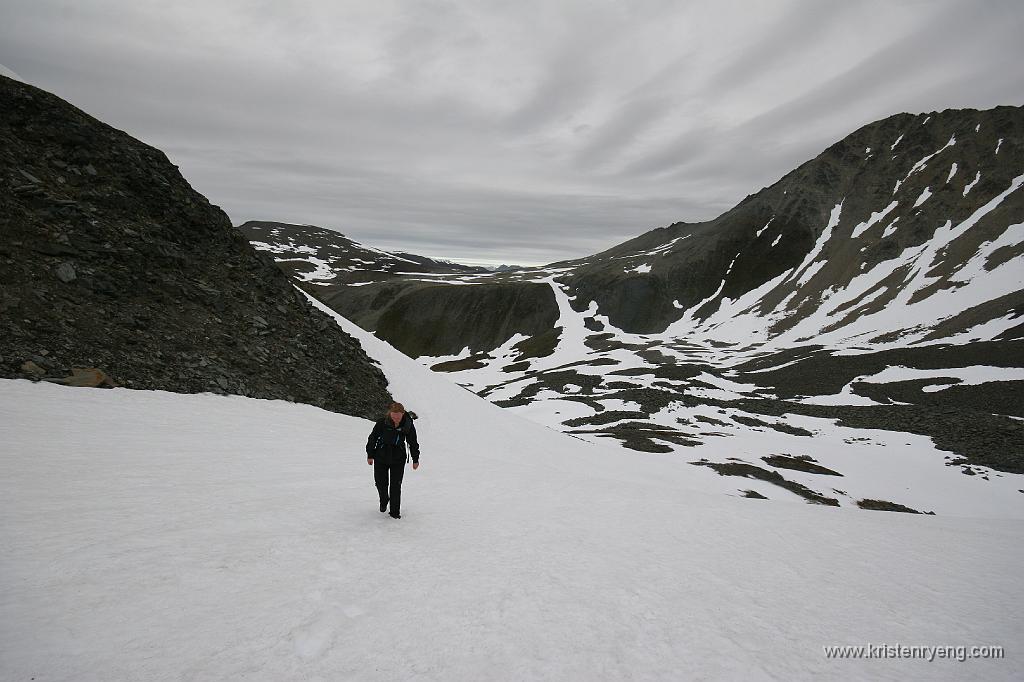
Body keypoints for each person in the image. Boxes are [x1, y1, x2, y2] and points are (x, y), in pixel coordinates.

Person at [366, 401, 420, 519]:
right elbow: (372, 438)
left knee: (396, 486)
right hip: (381, 456)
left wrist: (415, 459)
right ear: (390, 414)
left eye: (398, 416)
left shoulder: (407, 424)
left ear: (402, 414)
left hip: (398, 458)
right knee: (380, 483)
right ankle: (384, 499)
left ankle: (395, 512)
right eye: (394, 416)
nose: (396, 418)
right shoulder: (382, 423)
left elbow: (413, 442)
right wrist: (370, 455)